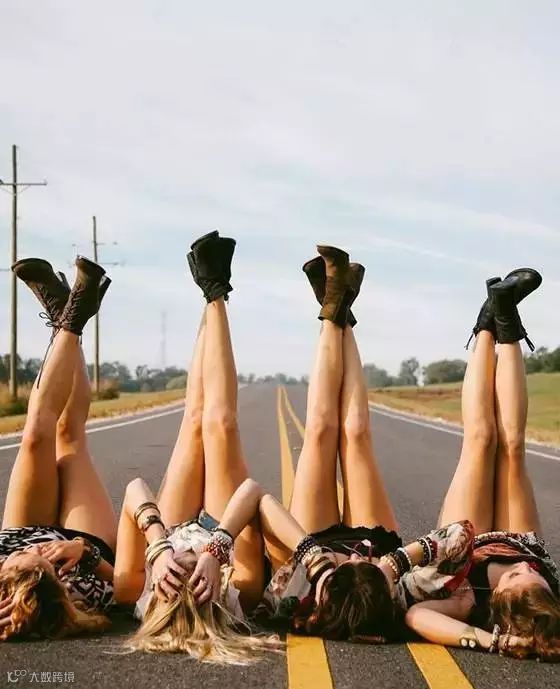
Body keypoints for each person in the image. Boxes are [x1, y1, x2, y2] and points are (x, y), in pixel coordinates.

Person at [113, 231, 281, 664]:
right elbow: (252, 492)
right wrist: (214, 550)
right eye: (195, 578)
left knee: (194, 421)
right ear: (211, 595)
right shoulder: (240, 593)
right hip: (224, 525)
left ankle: (209, 290)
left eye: (177, 576)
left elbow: (134, 489)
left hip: (170, 523)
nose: (184, 567)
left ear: (161, 592)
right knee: (220, 425)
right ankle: (216, 291)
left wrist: (158, 546)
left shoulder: (136, 592)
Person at [403, 269, 560, 661]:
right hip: (518, 538)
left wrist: (493, 641)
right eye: (536, 577)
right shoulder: (542, 597)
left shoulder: (473, 606)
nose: (526, 570)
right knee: (513, 446)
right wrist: (526, 564)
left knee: (480, 440)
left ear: (499, 604)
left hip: (466, 548)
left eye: (515, 577)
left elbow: (417, 616)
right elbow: (529, 572)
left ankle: (485, 324)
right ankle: (504, 315)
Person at [257, 245, 406, 641]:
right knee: (355, 431)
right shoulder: (384, 610)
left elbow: (264, 504)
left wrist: (315, 561)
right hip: (376, 546)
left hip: (312, 541)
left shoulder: (293, 603)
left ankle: (334, 304)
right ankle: (340, 305)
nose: (346, 562)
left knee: (321, 430)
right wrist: (390, 566)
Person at [0, 256, 117, 641]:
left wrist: (16, 557)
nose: (37, 551)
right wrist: (83, 552)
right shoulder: (79, 595)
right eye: (40, 561)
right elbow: (133, 586)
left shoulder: (9, 567)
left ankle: (66, 318)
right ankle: (72, 318)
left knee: (36, 434)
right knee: (69, 434)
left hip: (21, 528)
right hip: (85, 543)